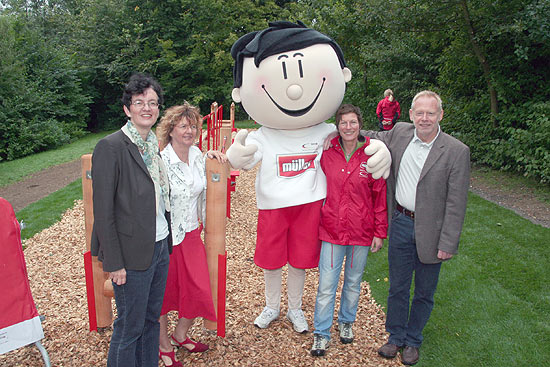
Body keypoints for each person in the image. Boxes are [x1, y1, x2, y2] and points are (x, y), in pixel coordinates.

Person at [227, 21, 391, 334]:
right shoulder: (264, 134)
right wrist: (236, 154)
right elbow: (242, 159)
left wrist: (381, 148)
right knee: (272, 261)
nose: (293, 90)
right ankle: (271, 306)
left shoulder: (326, 131)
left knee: (300, 261)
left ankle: (294, 309)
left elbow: (356, 141)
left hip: (310, 204)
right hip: (273, 206)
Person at [363, 90, 470, 365]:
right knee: (397, 287)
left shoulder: (456, 151)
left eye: (430, 113)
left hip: (432, 231)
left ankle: (413, 340)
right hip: (400, 222)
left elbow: (456, 203)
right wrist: (337, 129)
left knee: (424, 291)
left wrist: (448, 243)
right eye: (419, 113)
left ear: (440, 115)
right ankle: (395, 336)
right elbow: (370, 137)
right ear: (410, 114)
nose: (424, 118)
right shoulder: (399, 132)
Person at [91, 73, 172, 367]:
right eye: (139, 102)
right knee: (129, 327)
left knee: (151, 320)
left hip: (160, 244)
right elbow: (104, 212)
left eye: (152, 102)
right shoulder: (111, 147)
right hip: (130, 254)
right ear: (127, 109)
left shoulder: (153, 146)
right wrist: (114, 262)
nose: (147, 108)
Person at [311, 104, 388, 357]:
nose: (348, 127)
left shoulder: (371, 154)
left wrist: (379, 232)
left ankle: (346, 322)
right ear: (337, 126)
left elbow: (379, 196)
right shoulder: (327, 153)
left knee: (353, 283)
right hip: (332, 230)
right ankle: (321, 333)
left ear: (360, 124)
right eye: (343, 123)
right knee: (326, 285)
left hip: (361, 232)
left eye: (353, 122)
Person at [155, 103, 227, 367]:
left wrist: (213, 154)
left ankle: (180, 335)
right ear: (171, 130)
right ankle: (164, 346)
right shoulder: (161, 161)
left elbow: (205, 190)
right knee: (164, 294)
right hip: (167, 239)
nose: (189, 131)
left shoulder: (197, 155)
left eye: (193, 126)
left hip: (192, 234)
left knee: (198, 288)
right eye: (183, 126)